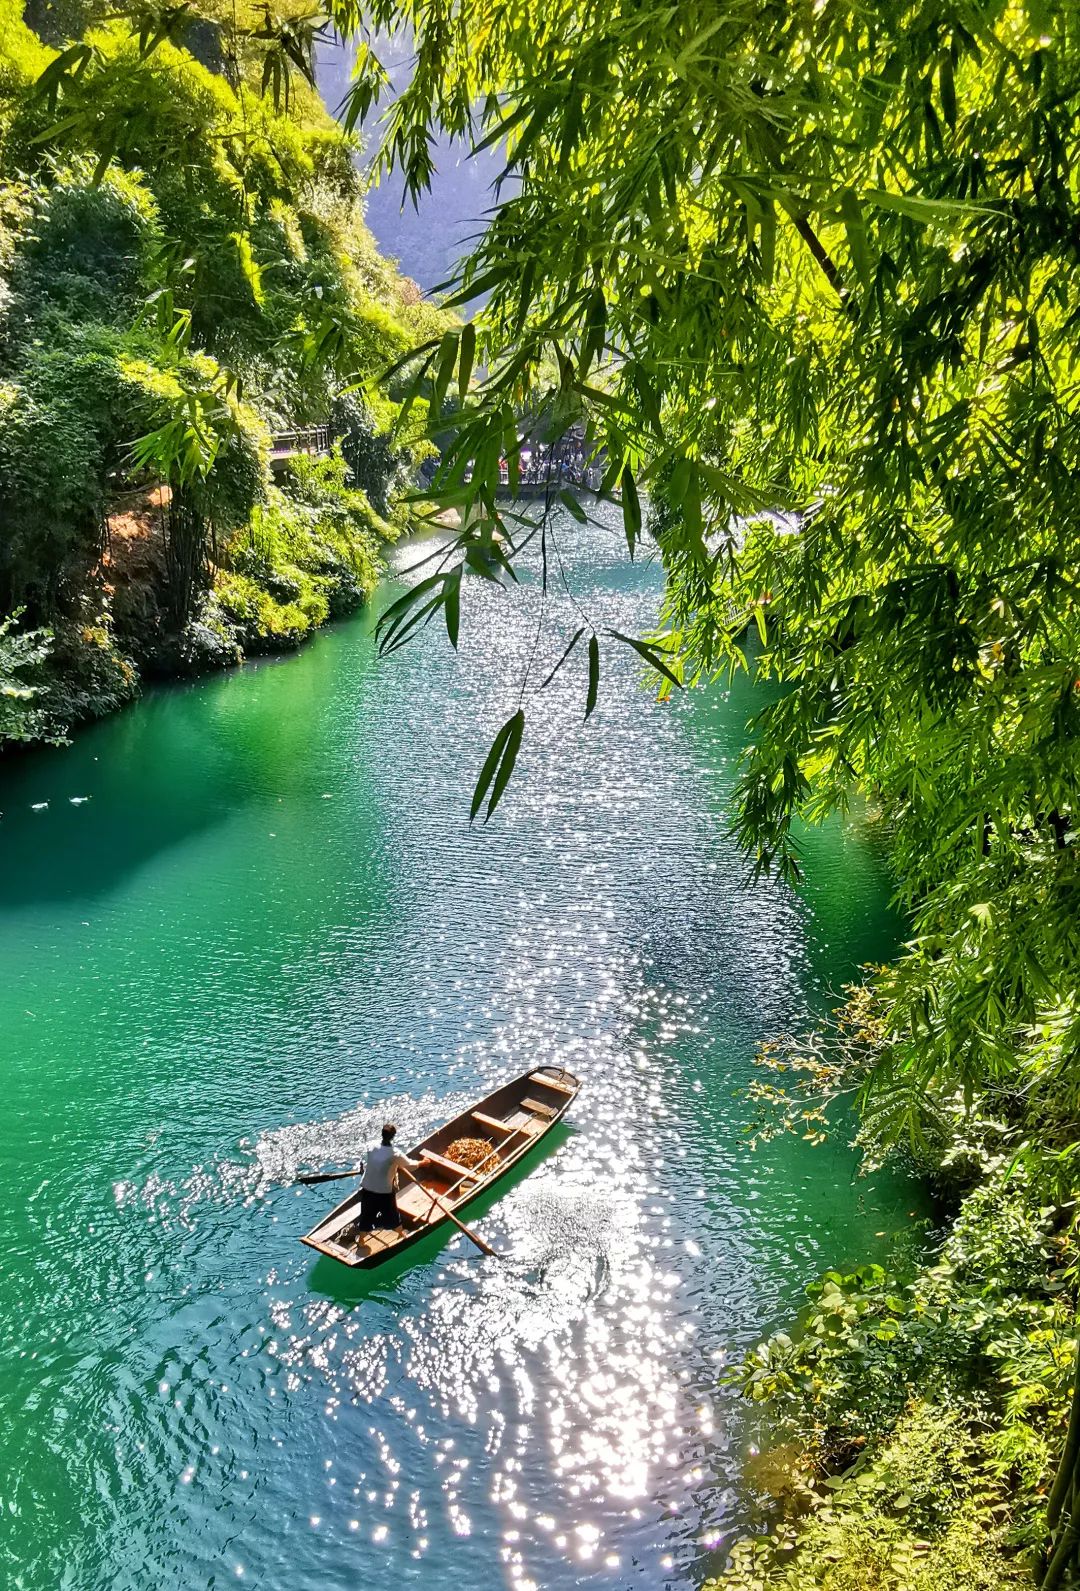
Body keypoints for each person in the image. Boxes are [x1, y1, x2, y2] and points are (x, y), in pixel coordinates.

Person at [357, 1123, 426, 1232]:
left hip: (367, 1188)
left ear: (382, 1134)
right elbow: (410, 1165)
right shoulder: (395, 1154)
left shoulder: (371, 1146)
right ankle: (402, 1235)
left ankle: (361, 1241)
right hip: (384, 1192)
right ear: (393, 1137)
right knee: (392, 1216)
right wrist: (423, 1163)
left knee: (366, 1217)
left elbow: (376, 1155)